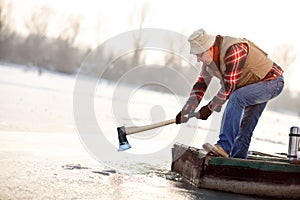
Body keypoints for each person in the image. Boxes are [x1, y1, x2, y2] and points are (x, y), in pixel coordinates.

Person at [176, 28, 284, 159]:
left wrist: (209, 109)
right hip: (251, 86)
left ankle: (224, 146)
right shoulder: (209, 63)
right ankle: (237, 163)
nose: (198, 60)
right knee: (245, 128)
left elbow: (228, 88)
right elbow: (200, 85)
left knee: (237, 98)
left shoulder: (234, 50)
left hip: (272, 82)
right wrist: (186, 110)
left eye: (199, 55)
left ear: (209, 48)